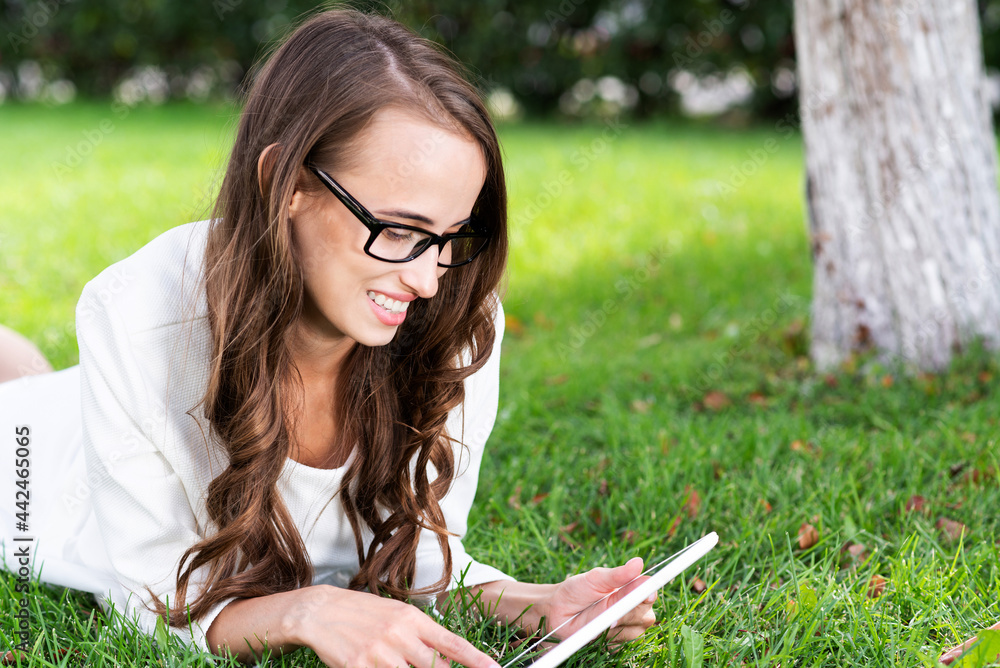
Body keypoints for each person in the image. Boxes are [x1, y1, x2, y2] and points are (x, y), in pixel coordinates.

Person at [0, 9, 656, 668]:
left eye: (452, 237)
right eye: (399, 230)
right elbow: (153, 608)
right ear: (284, 183)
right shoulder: (136, 317)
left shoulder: (459, 319)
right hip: (32, 465)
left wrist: (529, 601)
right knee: (20, 398)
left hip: (86, 406)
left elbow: (417, 563)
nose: (429, 279)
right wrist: (306, 609)